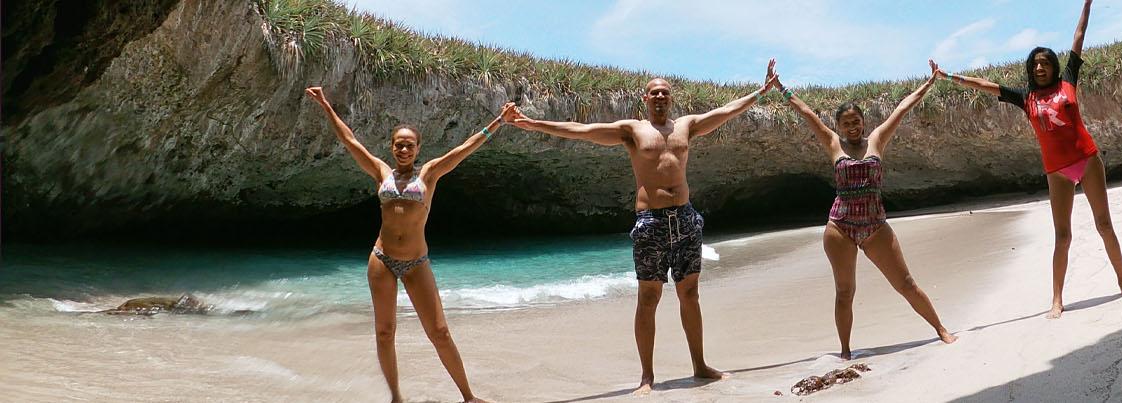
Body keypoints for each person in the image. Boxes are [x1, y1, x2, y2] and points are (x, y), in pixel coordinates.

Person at [503, 61, 780, 395]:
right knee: (648, 297)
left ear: (671, 98)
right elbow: (582, 130)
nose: (660, 97)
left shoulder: (686, 126)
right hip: (651, 224)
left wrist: (761, 91)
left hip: (686, 219)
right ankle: (647, 377)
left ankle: (700, 365)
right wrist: (531, 124)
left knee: (690, 294)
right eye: (654, 93)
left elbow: (725, 112)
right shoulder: (632, 130)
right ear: (645, 99)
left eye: (665, 92)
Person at [305, 86, 509, 403]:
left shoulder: (429, 174)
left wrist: (498, 121)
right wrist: (325, 105)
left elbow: (465, 149)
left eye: (409, 145)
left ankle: (469, 397)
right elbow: (350, 141)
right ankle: (396, 398)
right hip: (382, 260)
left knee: (439, 332)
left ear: (417, 148)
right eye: (398, 145)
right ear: (392, 147)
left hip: (416, 262)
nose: (403, 150)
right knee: (385, 332)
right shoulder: (381, 172)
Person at [937, 0, 1122, 319]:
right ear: (1031, 70)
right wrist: (948, 76)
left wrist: (1087, 4)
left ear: (1054, 67)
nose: (1040, 68)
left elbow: (1079, 36)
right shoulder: (1026, 97)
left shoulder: (1068, 81)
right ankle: (1057, 300)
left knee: (1104, 224)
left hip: (1087, 160)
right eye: (1035, 65)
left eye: (1045, 63)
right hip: (1057, 172)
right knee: (1062, 236)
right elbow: (987, 86)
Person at [775, 60, 958, 360]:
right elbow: (806, 113)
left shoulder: (877, 141)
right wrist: (780, 88)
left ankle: (940, 329)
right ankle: (845, 351)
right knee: (845, 292)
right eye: (846, 123)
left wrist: (928, 83)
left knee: (906, 283)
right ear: (839, 126)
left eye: (856, 121)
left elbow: (902, 109)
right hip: (840, 227)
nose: (852, 126)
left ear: (863, 121)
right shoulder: (833, 143)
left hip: (875, 225)